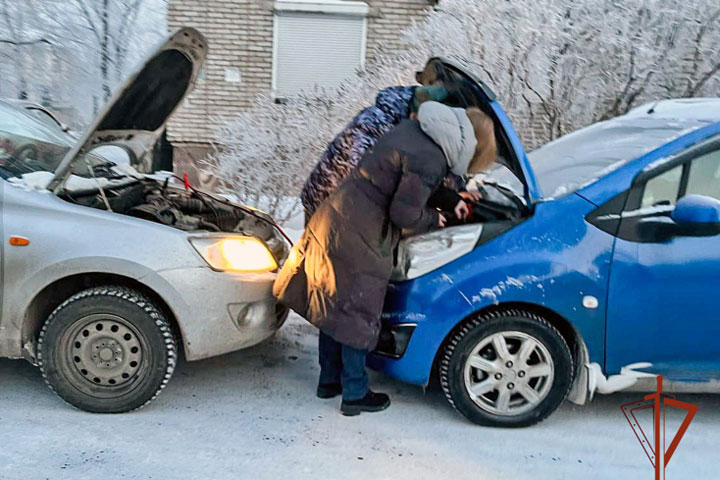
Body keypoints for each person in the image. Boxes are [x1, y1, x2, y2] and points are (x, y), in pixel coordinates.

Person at [274, 102, 497, 416]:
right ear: (471, 147)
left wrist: (451, 200)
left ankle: (330, 380)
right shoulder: (431, 157)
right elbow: (404, 211)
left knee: (335, 303)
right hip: (362, 231)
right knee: (356, 311)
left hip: (338, 217)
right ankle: (354, 393)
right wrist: (435, 219)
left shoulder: (416, 131)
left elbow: (409, 183)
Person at [300, 84, 451, 222]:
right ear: (415, 114)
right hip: (326, 204)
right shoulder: (375, 124)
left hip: (347, 206)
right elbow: (373, 175)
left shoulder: (401, 122)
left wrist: (453, 195)